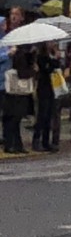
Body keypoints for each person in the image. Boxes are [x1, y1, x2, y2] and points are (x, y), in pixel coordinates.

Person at [1, 8, 29, 155]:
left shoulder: (23, 35)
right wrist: (9, 53)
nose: (13, 17)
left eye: (17, 14)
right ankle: (8, 143)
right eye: (12, 14)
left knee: (17, 113)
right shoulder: (5, 37)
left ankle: (16, 143)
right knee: (9, 114)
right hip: (6, 79)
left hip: (18, 77)